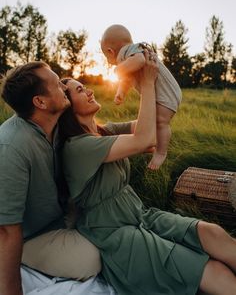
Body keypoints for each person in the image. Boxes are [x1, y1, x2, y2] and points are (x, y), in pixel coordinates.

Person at [59, 54, 236, 295]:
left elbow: (154, 125)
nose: (89, 91)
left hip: (139, 213)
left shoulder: (104, 130)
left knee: (211, 232)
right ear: (67, 106)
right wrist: (148, 84)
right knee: (209, 269)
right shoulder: (77, 147)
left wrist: (142, 78)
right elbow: (146, 139)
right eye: (80, 90)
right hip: (115, 233)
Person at [0, 61, 101, 295]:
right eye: (57, 84)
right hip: (31, 236)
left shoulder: (56, 124)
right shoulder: (11, 147)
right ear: (40, 102)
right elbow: (6, 229)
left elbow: (101, 132)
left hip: (62, 218)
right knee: (91, 260)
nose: (64, 88)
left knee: (115, 232)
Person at [101, 24, 182, 170]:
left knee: (161, 121)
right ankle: (152, 144)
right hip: (169, 92)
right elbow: (126, 79)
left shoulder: (129, 50)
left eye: (107, 57)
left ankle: (161, 152)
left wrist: (118, 69)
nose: (108, 61)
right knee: (156, 121)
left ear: (110, 51)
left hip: (166, 94)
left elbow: (139, 61)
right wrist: (121, 92)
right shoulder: (129, 56)